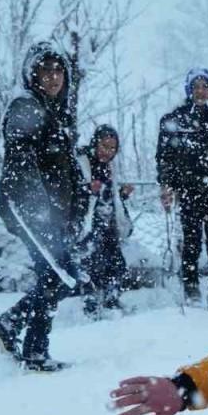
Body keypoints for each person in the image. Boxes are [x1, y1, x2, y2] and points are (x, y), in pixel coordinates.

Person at [0, 41, 84, 372]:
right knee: (61, 276)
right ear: (33, 74)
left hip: (51, 215)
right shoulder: (26, 108)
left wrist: (73, 212)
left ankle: (25, 341)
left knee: (56, 277)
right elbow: (22, 167)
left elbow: (67, 173)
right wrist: (42, 213)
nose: (54, 77)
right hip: (30, 213)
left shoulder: (56, 114)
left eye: (59, 71)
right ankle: (19, 335)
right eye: (46, 70)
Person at [156, 67, 208, 311]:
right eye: (195, 86)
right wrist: (167, 185)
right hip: (190, 192)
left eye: (204, 86)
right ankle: (191, 289)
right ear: (189, 90)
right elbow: (165, 157)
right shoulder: (175, 120)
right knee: (191, 243)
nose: (200, 91)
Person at [76, 124, 135, 318]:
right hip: (86, 223)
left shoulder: (110, 167)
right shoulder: (80, 162)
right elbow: (68, 191)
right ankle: (90, 300)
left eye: (112, 148)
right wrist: (86, 190)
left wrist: (122, 195)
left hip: (108, 222)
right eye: (103, 146)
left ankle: (112, 297)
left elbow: (108, 195)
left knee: (116, 261)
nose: (107, 152)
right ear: (95, 143)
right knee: (90, 260)